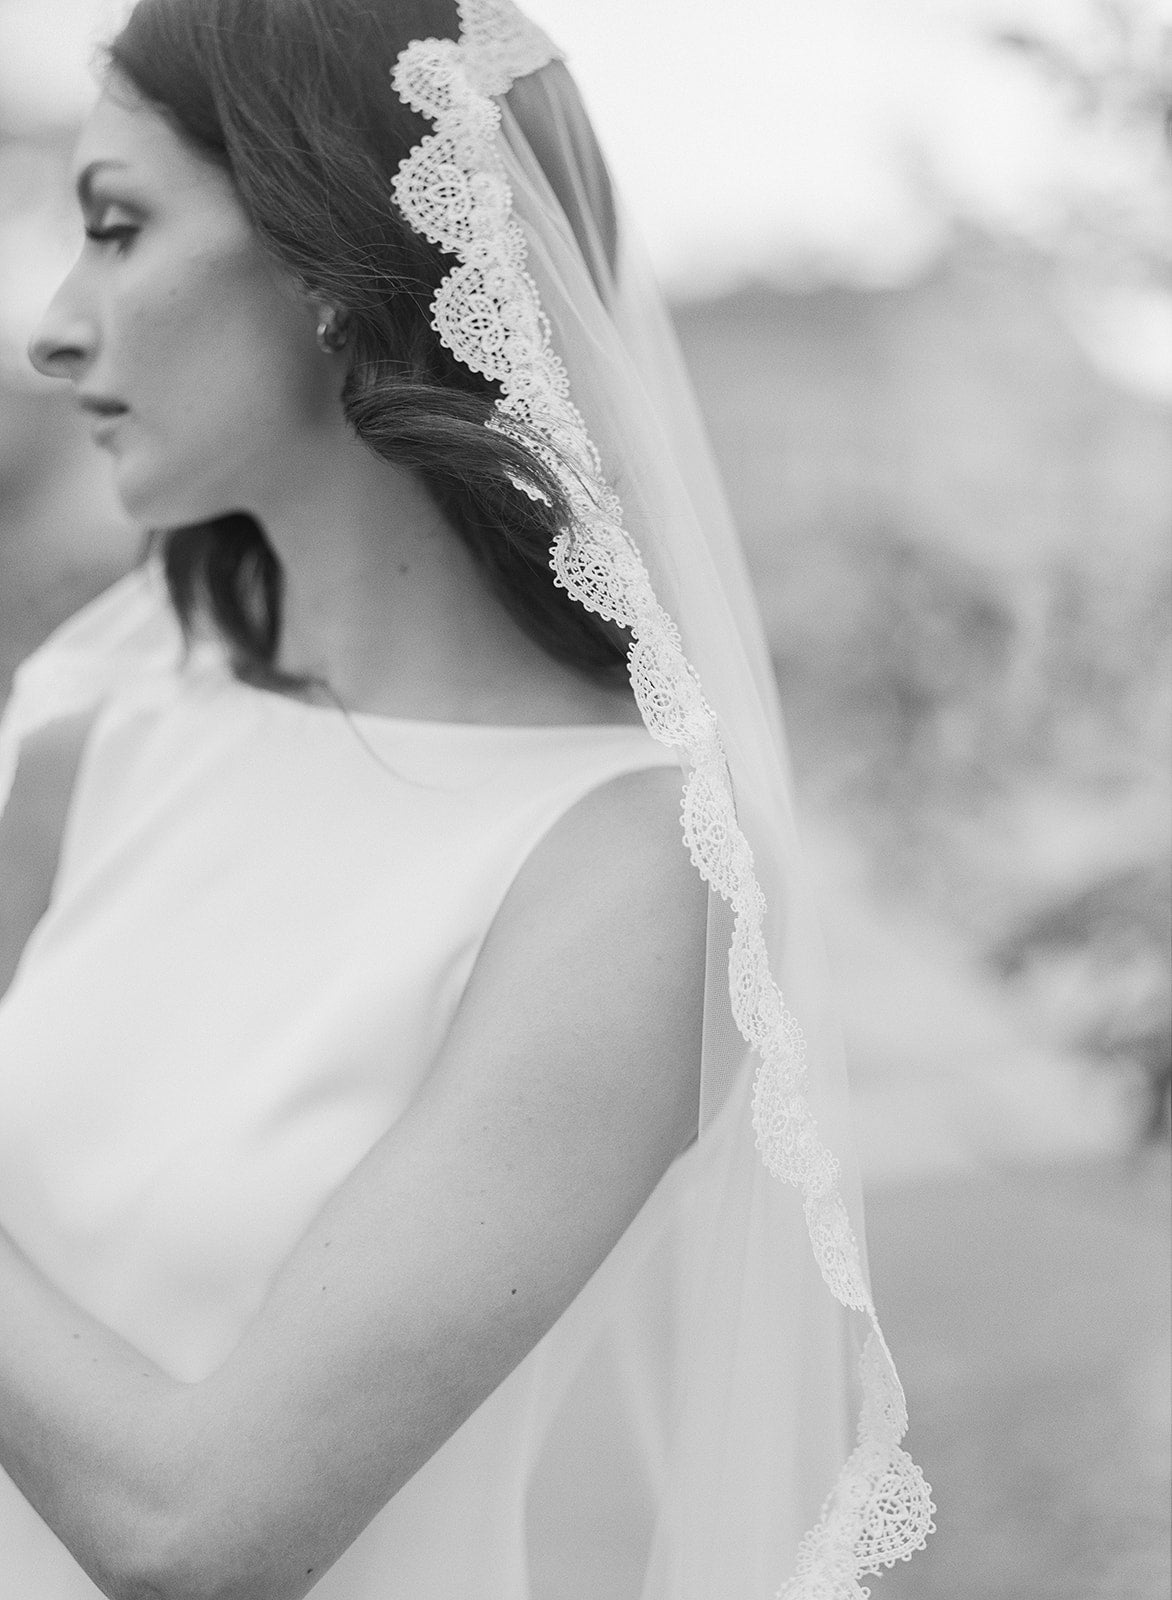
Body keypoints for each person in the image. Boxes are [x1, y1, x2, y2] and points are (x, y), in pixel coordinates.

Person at [0, 2, 933, 1597]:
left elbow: (198, 1536)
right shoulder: (101, 726)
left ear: (323, 255)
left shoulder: (635, 867)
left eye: (116, 227)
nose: (53, 329)